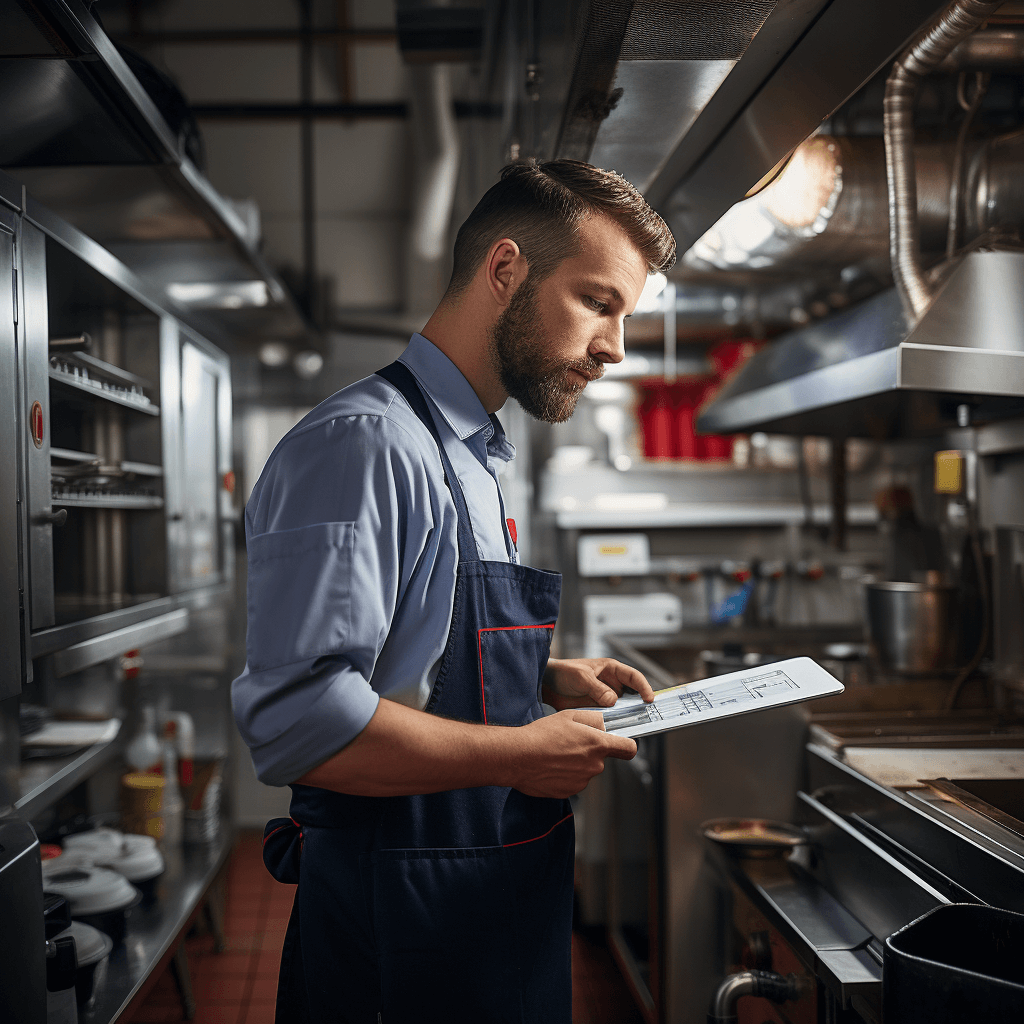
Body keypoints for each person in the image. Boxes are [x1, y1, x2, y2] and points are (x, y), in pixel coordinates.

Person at [233, 159, 677, 1023]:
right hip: (395, 923)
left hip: (478, 908)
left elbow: (414, 647)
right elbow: (300, 725)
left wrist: (534, 677)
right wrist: (522, 752)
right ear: (505, 269)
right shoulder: (366, 446)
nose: (615, 346)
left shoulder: (472, 451)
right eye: (599, 301)